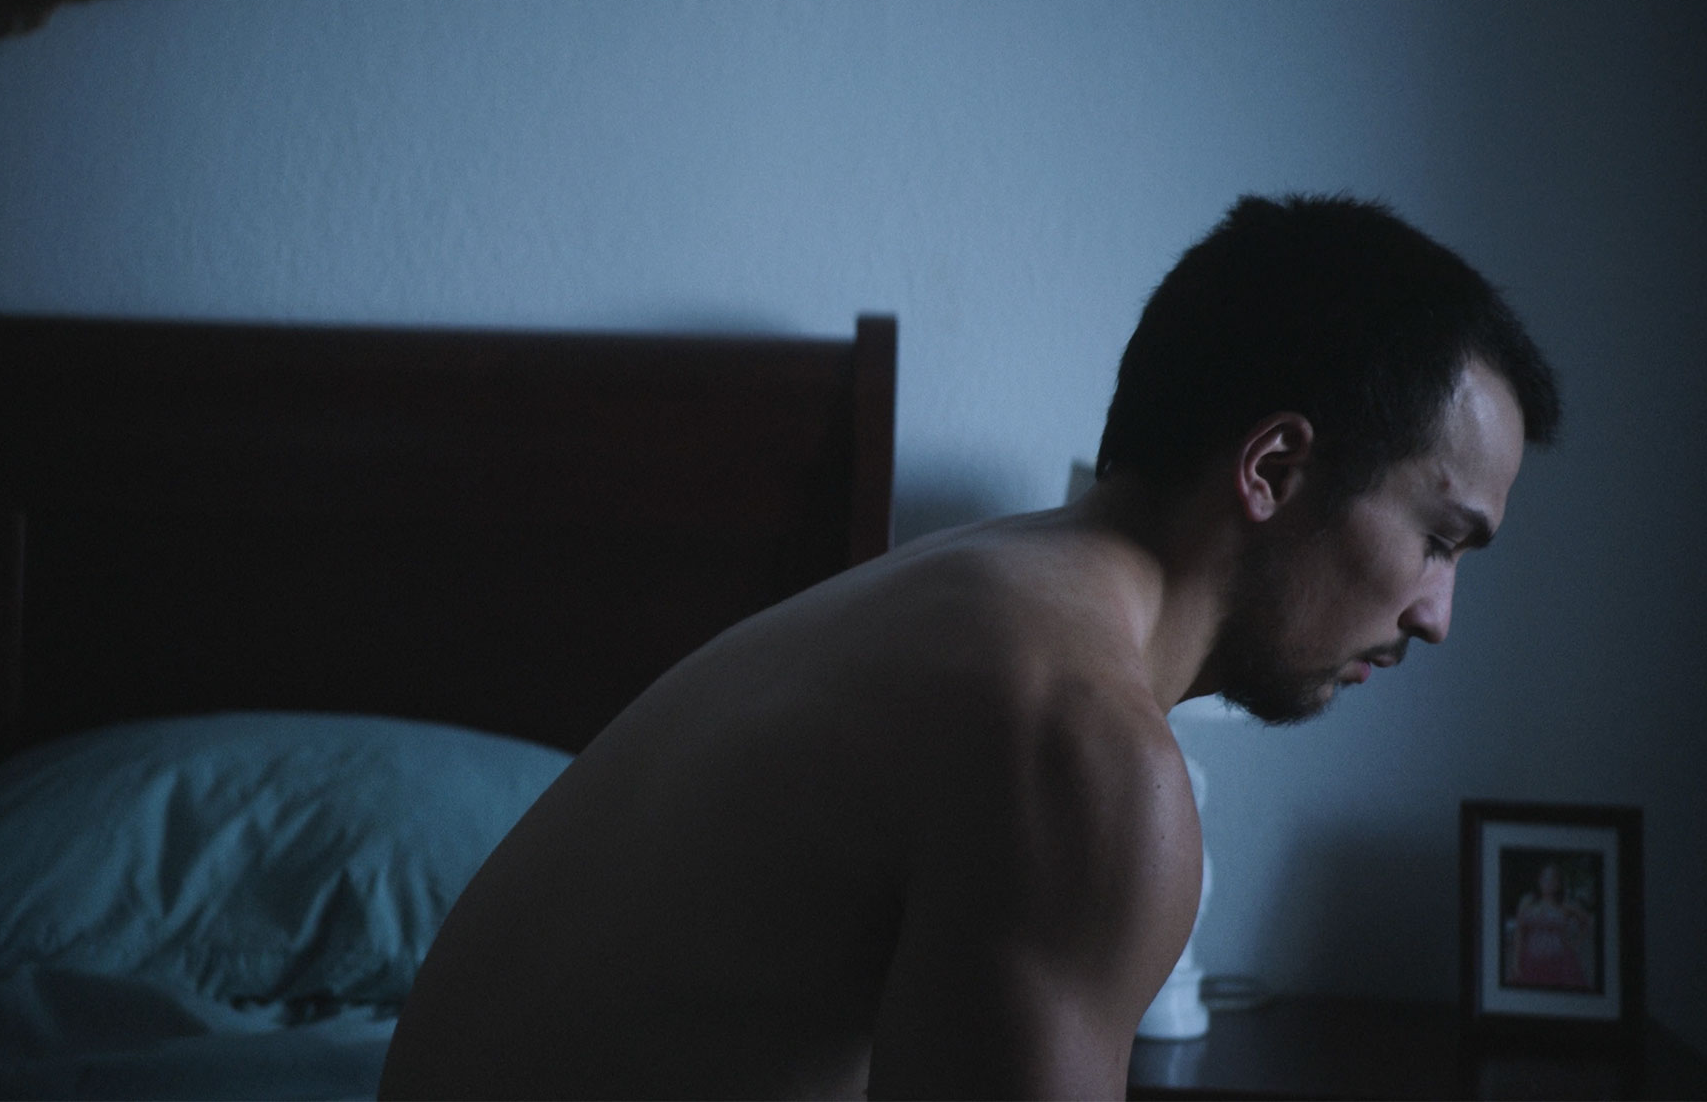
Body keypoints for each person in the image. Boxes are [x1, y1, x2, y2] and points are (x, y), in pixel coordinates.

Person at [379, 194, 1561, 1100]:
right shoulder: (1079, 745)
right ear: (1272, 469)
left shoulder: (965, 593)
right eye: (1438, 539)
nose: (1434, 615)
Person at [1507, 860, 1596, 990]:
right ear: (1539, 880)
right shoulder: (1527, 901)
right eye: (1544, 878)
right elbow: (1519, 932)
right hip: (1531, 961)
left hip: (1560, 962)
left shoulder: (1565, 905)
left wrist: (1576, 943)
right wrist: (1515, 962)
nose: (1548, 883)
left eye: (1552, 879)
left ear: (1558, 883)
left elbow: (1587, 921)